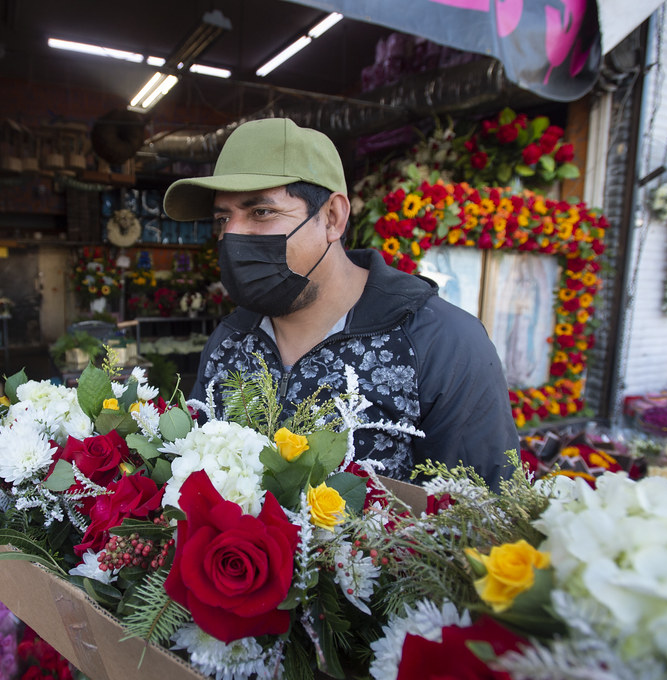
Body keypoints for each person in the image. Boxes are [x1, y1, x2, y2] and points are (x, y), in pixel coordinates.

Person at [163, 118, 517, 486]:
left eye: (261, 212)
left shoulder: (441, 342)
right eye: (223, 218)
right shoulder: (230, 340)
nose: (232, 235)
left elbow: (482, 507)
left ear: (332, 217)